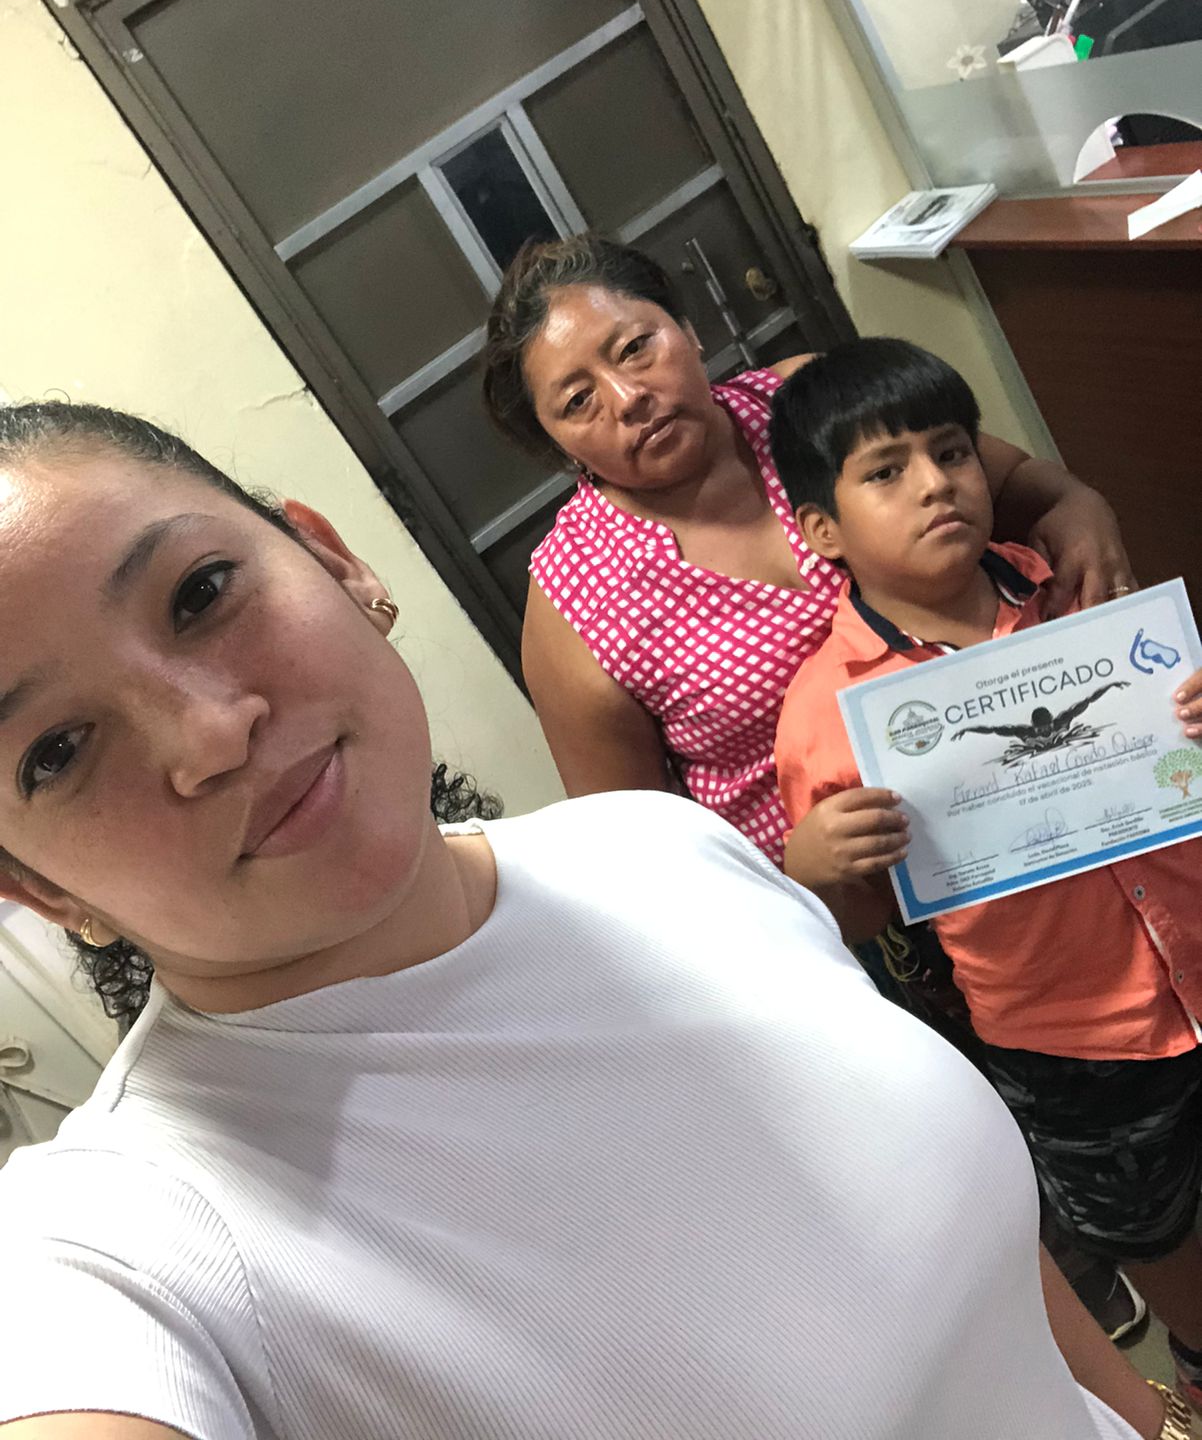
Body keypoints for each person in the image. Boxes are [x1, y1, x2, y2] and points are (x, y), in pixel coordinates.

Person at [0, 400, 1180, 1440]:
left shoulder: (659, 848)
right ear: (37, 889)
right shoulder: (128, 1241)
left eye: (200, 594)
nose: (210, 735)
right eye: (55, 750)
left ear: (334, 559)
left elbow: (972, 1252)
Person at [767, 338, 1202, 1415]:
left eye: (951, 451)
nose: (934, 484)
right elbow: (862, 912)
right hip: (1067, 1032)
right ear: (821, 529)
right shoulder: (825, 712)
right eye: (885, 471)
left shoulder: (1084, 595)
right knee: (1153, 1229)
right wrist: (814, 871)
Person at [481, 234, 1136, 869]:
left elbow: (1005, 483)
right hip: (841, 893)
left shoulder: (807, 407)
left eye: (635, 347)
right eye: (578, 401)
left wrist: (1078, 506)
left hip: (1042, 787)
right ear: (559, 448)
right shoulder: (576, 604)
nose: (629, 399)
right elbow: (644, 846)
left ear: (687, 329)